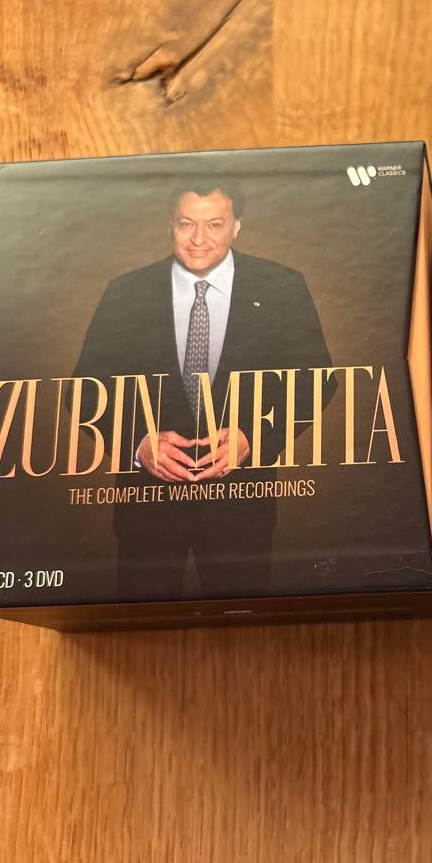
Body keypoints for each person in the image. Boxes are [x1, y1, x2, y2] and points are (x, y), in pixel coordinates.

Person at [72, 177, 332, 598]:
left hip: (241, 509)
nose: (198, 239)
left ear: (236, 226)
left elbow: (317, 381)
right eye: (186, 223)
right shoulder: (125, 293)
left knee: (243, 629)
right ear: (170, 225)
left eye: (214, 225)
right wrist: (137, 445)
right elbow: (83, 390)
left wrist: (253, 440)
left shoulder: (283, 287)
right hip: (147, 511)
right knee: (141, 628)